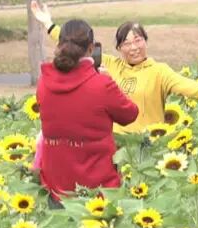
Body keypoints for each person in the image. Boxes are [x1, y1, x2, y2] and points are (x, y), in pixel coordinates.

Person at [30, 2, 198, 133]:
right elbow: (76, 45)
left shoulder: (159, 71)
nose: (133, 48)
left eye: (138, 40)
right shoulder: (110, 64)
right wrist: (48, 24)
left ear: (145, 41)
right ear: (119, 48)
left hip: (149, 142)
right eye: (127, 43)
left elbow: (186, 86)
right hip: (116, 143)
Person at [36, 19, 139, 202]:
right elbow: (130, 114)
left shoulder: (44, 82)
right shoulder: (101, 85)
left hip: (56, 188)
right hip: (98, 191)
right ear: (91, 48)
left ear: (60, 46)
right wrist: (109, 80)